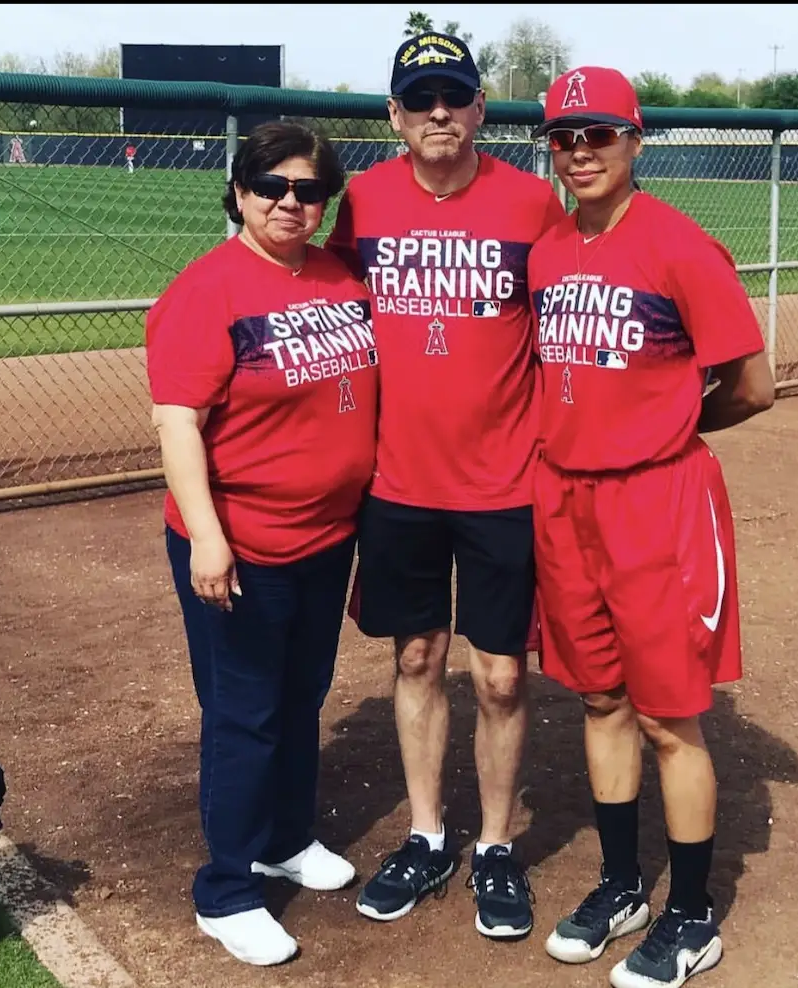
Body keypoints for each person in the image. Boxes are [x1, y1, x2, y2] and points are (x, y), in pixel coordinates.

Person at [526, 67, 775, 988]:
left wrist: (671, 427)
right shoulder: (549, 247)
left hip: (657, 502)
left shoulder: (678, 247)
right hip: (565, 500)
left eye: (598, 133)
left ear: (635, 141)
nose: (580, 151)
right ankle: (624, 884)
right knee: (597, 698)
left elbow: (754, 386)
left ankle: (692, 914)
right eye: (562, 136)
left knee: (669, 719)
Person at [325, 30, 566, 939]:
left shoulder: (532, 203)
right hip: (400, 484)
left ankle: (497, 846)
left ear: (478, 110)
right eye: (419, 98)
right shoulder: (365, 202)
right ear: (394, 114)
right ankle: (428, 835)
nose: (438, 112)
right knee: (418, 657)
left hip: (503, 482)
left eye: (454, 97)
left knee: (501, 675)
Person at [145, 120, 378, 967]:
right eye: (272, 186)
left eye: (309, 190)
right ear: (239, 192)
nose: (291, 202)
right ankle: (227, 890)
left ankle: (283, 837)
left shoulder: (337, 275)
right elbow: (179, 426)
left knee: (302, 694)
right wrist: (208, 535)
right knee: (244, 712)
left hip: (326, 538)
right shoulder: (207, 290)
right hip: (241, 542)